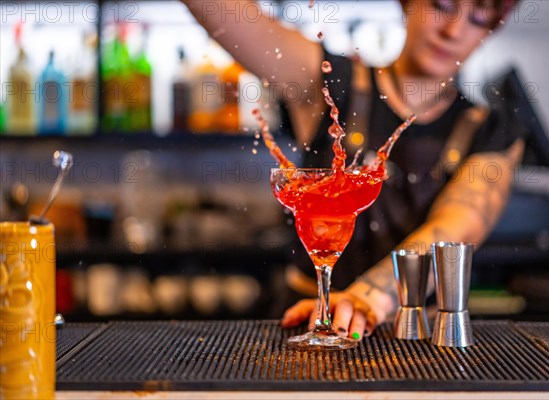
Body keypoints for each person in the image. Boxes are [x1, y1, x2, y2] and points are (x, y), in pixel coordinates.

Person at [182, 0, 525, 340]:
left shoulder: (494, 131)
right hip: (308, 324)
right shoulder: (328, 81)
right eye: (442, 6)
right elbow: (225, 15)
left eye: (478, 17)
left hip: (414, 337)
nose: (453, 30)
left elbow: (457, 227)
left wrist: (369, 298)